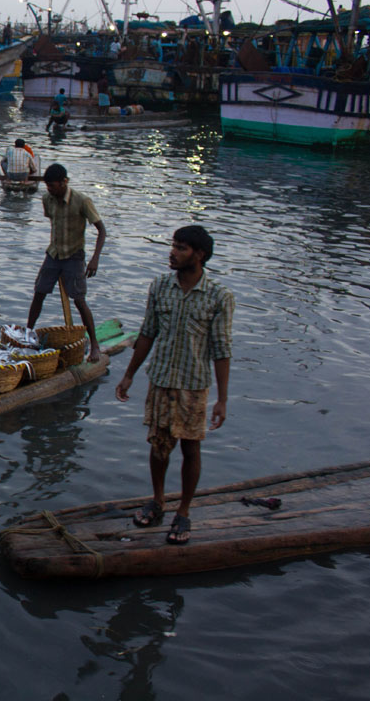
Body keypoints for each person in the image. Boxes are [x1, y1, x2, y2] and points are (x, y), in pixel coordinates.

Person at [115, 225, 234, 546]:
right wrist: (129, 374)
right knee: (158, 445)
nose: (173, 252)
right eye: (174, 246)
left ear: (199, 255)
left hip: (193, 385)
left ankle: (183, 511)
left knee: (190, 447)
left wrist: (222, 399)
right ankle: (157, 501)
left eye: (181, 248)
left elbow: (221, 349)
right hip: (161, 380)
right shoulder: (160, 287)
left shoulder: (219, 297)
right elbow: (147, 333)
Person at [26, 163, 106, 362]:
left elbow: (102, 230)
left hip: (74, 256)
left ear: (64, 182)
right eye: (48, 186)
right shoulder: (47, 199)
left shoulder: (81, 201)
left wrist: (95, 258)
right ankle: (26, 335)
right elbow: (53, 221)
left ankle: (94, 344)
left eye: (53, 186)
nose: (50, 190)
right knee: (39, 292)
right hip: (54, 254)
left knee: (79, 300)